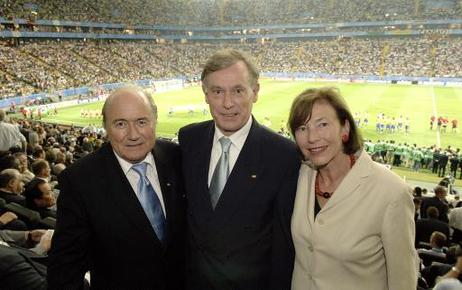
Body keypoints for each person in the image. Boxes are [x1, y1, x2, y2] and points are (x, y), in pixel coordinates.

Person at [178, 49, 299, 289]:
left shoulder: (283, 155)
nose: (227, 103)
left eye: (238, 90)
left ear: (255, 92)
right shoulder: (189, 138)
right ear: (205, 95)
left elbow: (284, 245)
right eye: (217, 91)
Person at [47, 87, 186, 289]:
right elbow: (65, 266)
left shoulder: (176, 156)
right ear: (105, 127)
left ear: (154, 121)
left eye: (141, 122)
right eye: (120, 124)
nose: (133, 134)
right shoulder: (79, 180)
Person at [288, 87, 416, 290]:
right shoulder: (301, 175)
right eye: (302, 128)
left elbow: (403, 281)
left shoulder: (391, 192)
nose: (312, 137)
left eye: (322, 124)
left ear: (345, 128)